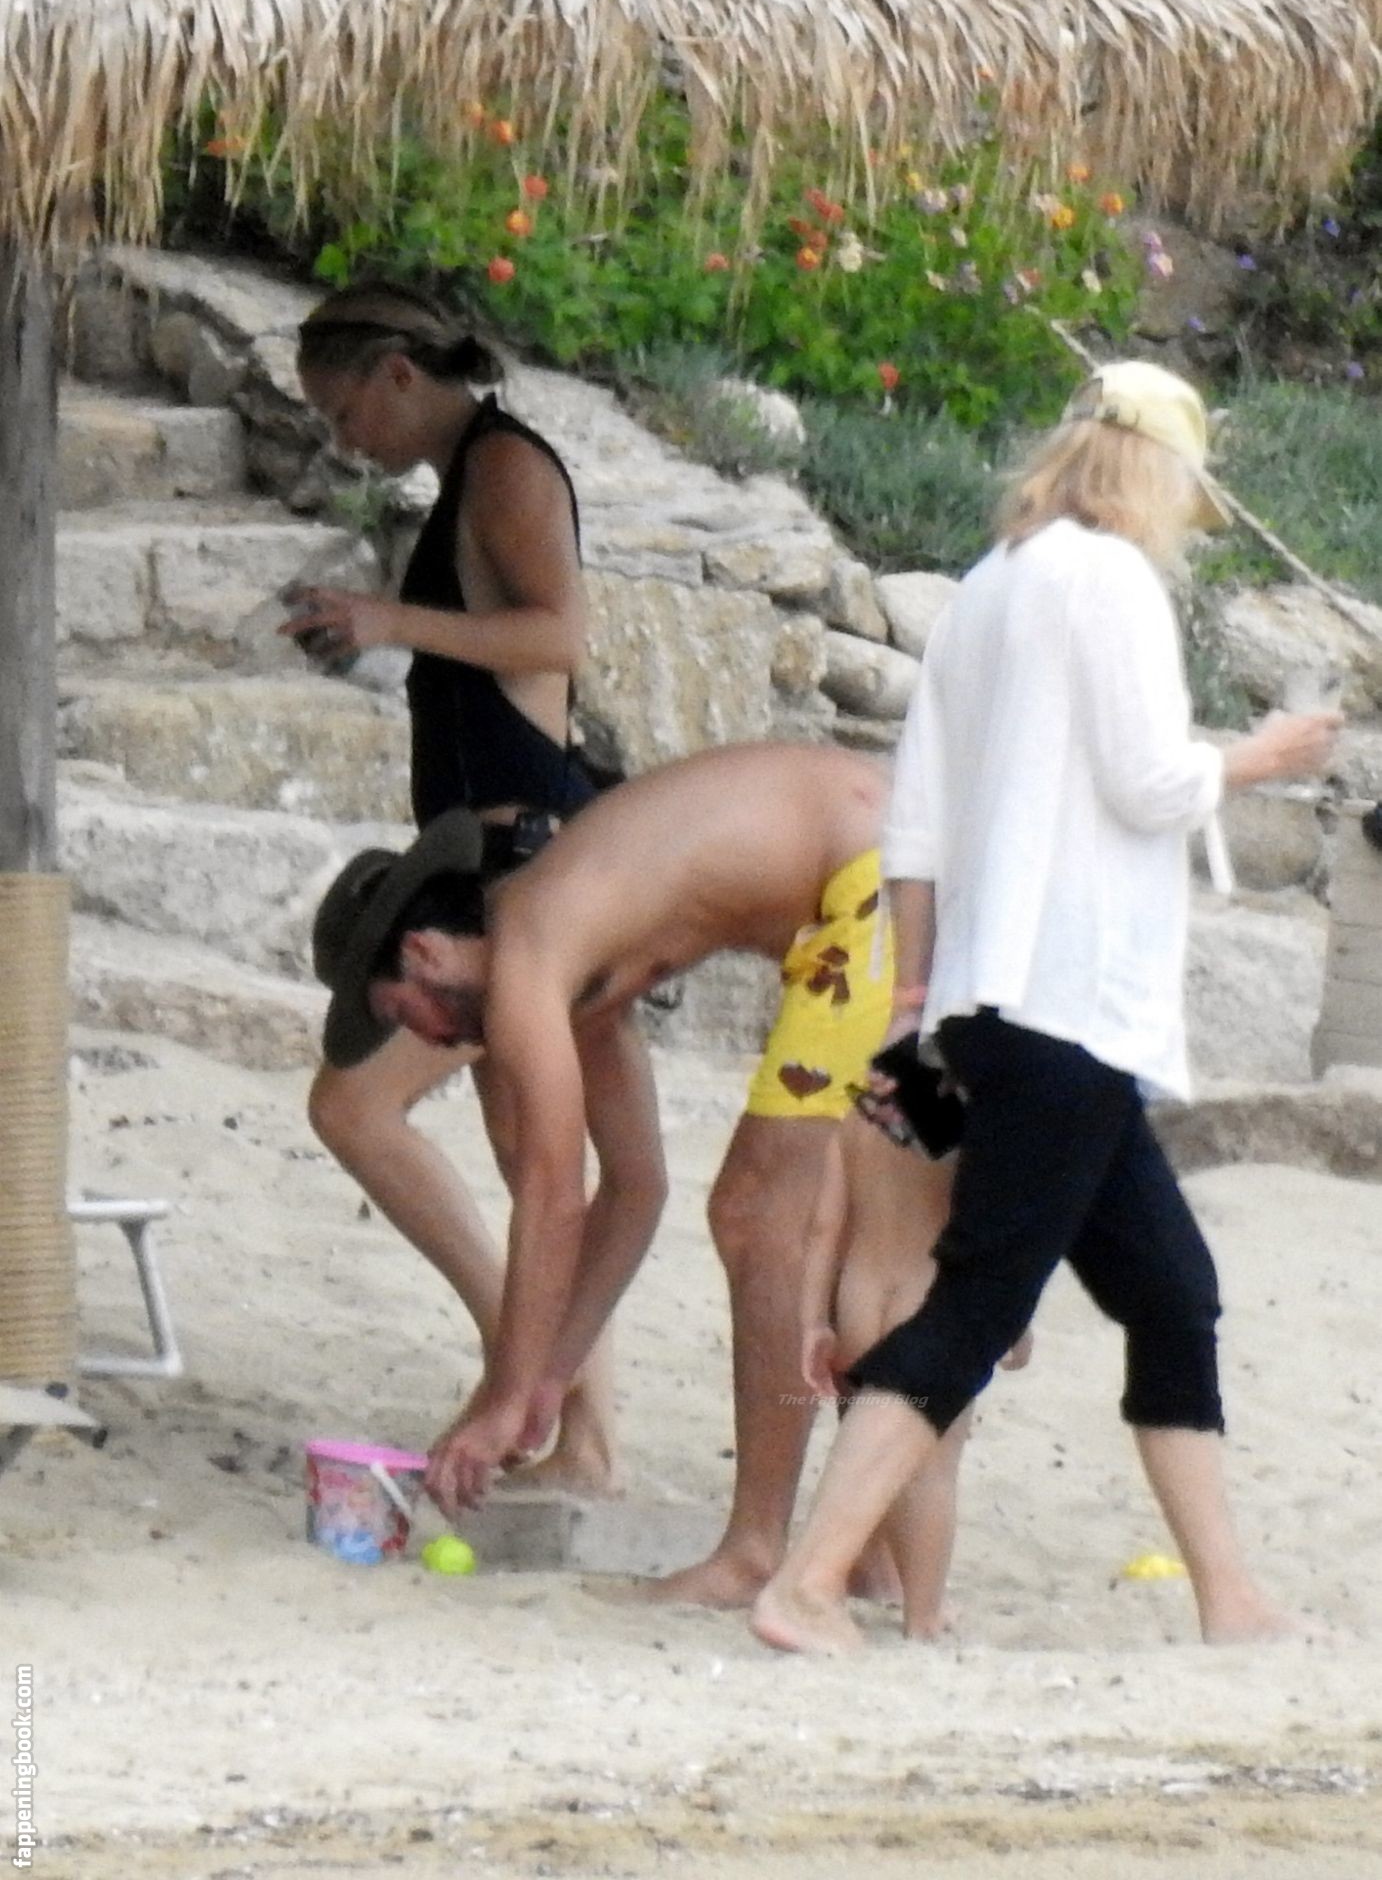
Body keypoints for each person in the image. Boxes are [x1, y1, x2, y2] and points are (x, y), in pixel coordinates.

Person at [751, 360, 1343, 1655]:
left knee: (1171, 1293)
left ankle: (1228, 1598)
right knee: (977, 1301)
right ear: (1154, 475)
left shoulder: (986, 586)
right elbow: (1147, 783)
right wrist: (1264, 754)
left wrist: (915, 1000)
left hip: (993, 998)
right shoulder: (1108, 578)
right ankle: (806, 1582)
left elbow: (914, 825)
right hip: (1069, 1001)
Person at [310, 742, 894, 1605]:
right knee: (858, 1230)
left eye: (407, 1015)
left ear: (426, 953)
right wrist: (547, 1382)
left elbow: (552, 1195)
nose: (431, 1042)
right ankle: (876, 1555)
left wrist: (504, 1397)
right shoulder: (585, 947)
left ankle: (753, 1551)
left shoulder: (527, 953)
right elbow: (633, 1189)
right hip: (888, 868)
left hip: (876, 877)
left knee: (757, 1213)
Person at [283, 281, 628, 1493]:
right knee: (533, 1150)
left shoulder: (504, 466)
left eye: (340, 412)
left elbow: (558, 637)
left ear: (396, 373)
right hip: (500, 857)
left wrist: (391, 619)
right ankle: (572, 1429)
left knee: (358, 1106)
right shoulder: (464, 478)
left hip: (527, 864)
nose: (341, 441)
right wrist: (382, 627)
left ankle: (523, 1379)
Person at [799, 1111, 1032, 1640]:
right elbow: (989, 1224)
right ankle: (923, 1613)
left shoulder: (857, 1121)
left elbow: (824, 1229)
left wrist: (813, 1321)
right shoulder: (964, 1122)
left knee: (870, 1454)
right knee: (932, 1470)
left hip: (859, 1298)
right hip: (927, 1296)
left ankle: (841, 1576)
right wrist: (1014, 1319)